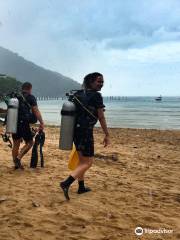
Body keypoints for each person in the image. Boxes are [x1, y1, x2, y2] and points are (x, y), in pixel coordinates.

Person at [60, 72, 110, 200]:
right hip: (86, 132)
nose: (101, 84)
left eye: (102, 82)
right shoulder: (97, 96)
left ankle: (81, 187)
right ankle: (66, 183)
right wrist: (107, 134)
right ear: (91, 82)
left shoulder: (78, 94)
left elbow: (81, 111)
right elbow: (101, 116)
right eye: (99, 81)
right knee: (88, 163)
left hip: (75, 131)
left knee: (81, 161)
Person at [12, 82, 44, 170]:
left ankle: (16, 164)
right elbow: (36, 110)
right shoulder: (30, 97)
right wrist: (41, 122)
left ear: (22, 88)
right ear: (30, 89)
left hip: (14, 122)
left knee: (16, 144)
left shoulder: (15, 97)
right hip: (23, 123)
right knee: (30, 142)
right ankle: (18, 158)